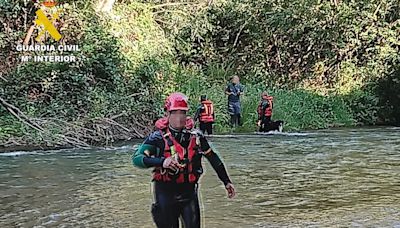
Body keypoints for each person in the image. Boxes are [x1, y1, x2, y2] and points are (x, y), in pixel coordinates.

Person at [132, 92, 235, 228]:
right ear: (167, 114)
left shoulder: (196, 137)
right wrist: (162, 162)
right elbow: (137, 159)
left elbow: (213, 158)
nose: (179, 117)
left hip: (189, 194)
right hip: (165, 195)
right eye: (175, 113)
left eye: (182, 113)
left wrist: (226, 182)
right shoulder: (157, 138)